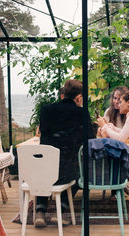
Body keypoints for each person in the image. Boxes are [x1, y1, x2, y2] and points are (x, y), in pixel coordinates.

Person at [35, 79, 96, 227]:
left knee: (44, 169)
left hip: (45, 168)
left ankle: (40, 212)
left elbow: (42, 134)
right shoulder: (81, 113)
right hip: (68, 168)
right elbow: (90, 139)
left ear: (64, 93)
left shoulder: (46, 110)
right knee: (79, 171)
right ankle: (60, 212)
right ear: (79, 97)